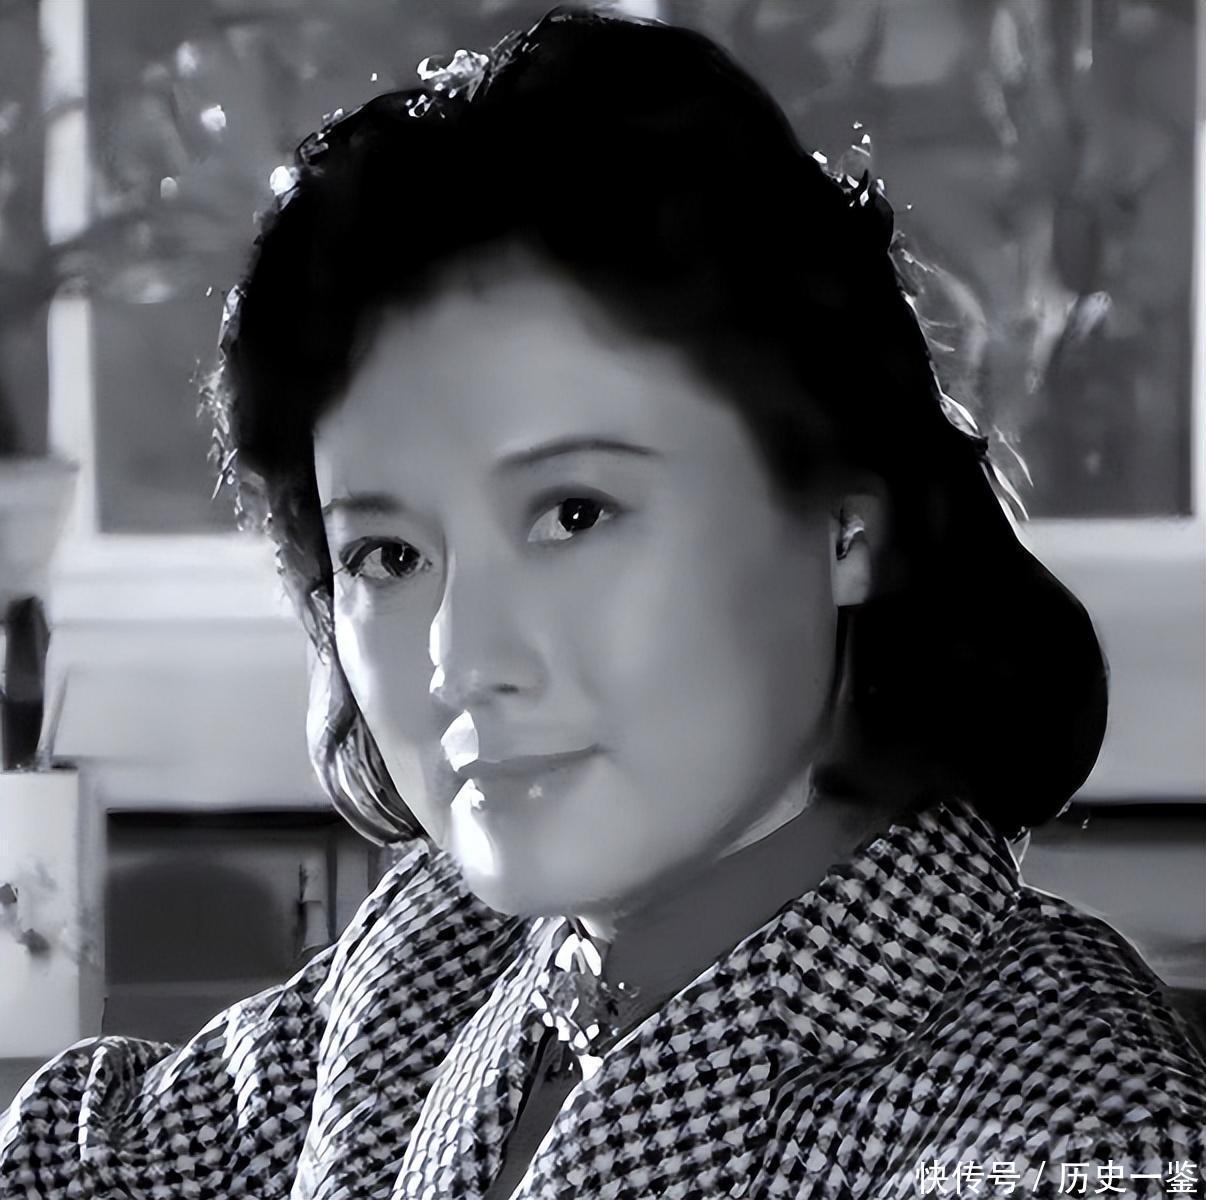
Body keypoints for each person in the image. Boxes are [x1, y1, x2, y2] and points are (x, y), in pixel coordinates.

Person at [3, 7, 1203, 1198]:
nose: (462, 660)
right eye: (388, 556)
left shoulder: (1079, 1138)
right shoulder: (441, 950)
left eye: (573, 514)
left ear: (847, 524)